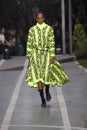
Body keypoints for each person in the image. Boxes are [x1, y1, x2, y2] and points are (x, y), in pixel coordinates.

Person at [26, 12, 69, 107]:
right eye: (38, 18)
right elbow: (29, 44)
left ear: (44, 18)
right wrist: (29, 57)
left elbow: (51, 42)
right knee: (38, 78)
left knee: (46, 76)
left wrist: (52, 56)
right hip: (36, 56)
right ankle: (42, 100)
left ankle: (47, 90)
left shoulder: (49, 29)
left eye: (41, 18)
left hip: (46, 55)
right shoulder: (32, 30)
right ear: (36, 19)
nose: (40, 19)